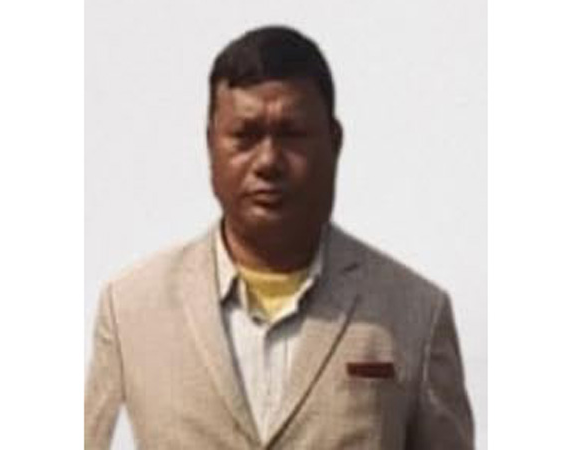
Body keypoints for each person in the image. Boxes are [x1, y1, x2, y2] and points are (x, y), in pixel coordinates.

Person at [85, 25, 474, 449]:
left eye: (292, 134)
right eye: (245, 136)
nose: (268, 161)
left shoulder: (414, 315)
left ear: (334, 143)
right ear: (211, 145)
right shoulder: (131, 311)